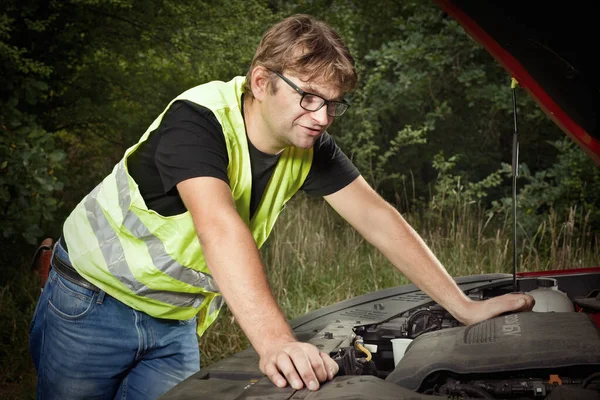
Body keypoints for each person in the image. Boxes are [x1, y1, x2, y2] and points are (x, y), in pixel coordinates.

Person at [29, 14, 534, 399]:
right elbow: (219, 228)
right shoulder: (197, 121)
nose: (322, 117)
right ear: (261, 81)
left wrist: (464, 307)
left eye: (333, 103)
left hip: (174, 321)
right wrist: (276, 341)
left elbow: (378, 219)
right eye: (309, 96)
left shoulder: (307, 142)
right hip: (92, 306)